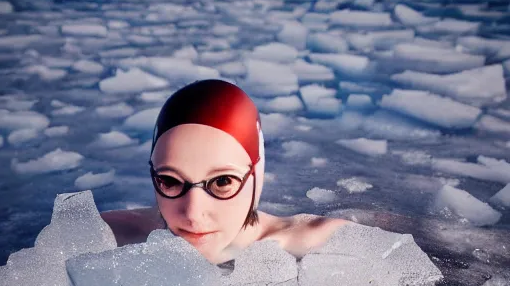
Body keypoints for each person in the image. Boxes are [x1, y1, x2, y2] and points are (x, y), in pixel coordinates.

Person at [101, 79, 350, 265]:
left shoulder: (320, 242)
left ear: (256, 176)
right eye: (169, 181)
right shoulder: (111, 234)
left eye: (222, 182)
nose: (193, 215)